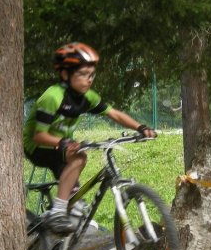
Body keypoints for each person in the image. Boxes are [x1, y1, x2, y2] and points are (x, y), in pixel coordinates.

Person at [24, 42, 156, 235]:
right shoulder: (52, 97)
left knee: (76, 200)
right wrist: (63, 142)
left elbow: (115, 114)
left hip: (61, 146)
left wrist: (140, 127)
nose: (89, 79)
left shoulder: (88, 96)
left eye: (92, 74)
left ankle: (62, 249)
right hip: (37, 147)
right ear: (65, 75)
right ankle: (57, 212)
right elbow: (39, 136)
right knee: (80, 158)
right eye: (83, 74)